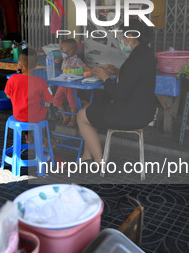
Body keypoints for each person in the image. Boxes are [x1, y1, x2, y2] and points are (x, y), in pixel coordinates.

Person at [77, 19, 156, 164]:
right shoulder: (146, 54)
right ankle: (87, 154)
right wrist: (116, 71)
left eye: (121, 36)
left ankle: (100, 161)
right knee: (88, 108)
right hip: (145, 112)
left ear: (131, 36)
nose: (120, 40)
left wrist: (105, 77)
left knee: (81, 116)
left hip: (130, 116)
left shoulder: (136, 59)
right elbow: (134, 79)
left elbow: (119, 94)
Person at [5, 48, 53, 144]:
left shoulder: (12, 78)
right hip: (34, 117)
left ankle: (28, 137)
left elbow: (8, 95)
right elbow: (50, 100)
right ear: (36, 65)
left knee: (25, 111)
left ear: (19, 64)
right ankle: (44, 139)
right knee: (45, 111)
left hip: (18, 115)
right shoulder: (41, 82)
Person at [54, 39, 91, 127]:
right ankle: (65, 116)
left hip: (71, 86)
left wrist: (94, 71)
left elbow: (86, 67)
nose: (61, 51)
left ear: (70, 51)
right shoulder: (65, 59)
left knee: (72, 103)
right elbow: (57, 69)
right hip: (62, 84)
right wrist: (56, 62)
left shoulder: (76, 60)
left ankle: (73, 120)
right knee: (56, 101)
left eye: (62, 49)